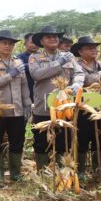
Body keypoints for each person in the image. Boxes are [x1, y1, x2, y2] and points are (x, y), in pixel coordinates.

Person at [28, 26, 84, 171]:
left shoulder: (69, 56)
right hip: (43, 106)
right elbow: (37, 74)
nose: (53, 39)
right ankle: (42, 172)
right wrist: (58, 63)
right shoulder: (35, 57)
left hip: (64, 106)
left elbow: (79, 73)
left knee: (63, 140)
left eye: (55, 36)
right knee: (41, 141)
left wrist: (77, 83)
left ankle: (62, 172)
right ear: (41, 41)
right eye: (48, 37)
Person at [0, 30, 31, 183]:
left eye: (11, 44)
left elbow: (24, 85)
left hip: (17, 110)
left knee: (17, 141)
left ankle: (15, 173)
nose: (8, 46)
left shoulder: (18, 62)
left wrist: (27, 104)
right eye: (4, 43)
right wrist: (11, 74)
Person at [71, 35, 101, 180]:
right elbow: (78, 84)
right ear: (80, 52)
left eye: (94, 47)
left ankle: (98, 170)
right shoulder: (76, 66)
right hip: (83, 109)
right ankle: (80, 172)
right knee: (82, 139)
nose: (94, 50)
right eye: (89, 48)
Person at [17, 33, 38, 101]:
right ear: (25, 43)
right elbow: (22, 68)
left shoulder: (43, 56)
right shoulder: (20, 57)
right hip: (28, 91)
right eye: (32, 42)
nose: (35, 45)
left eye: (36, 42)